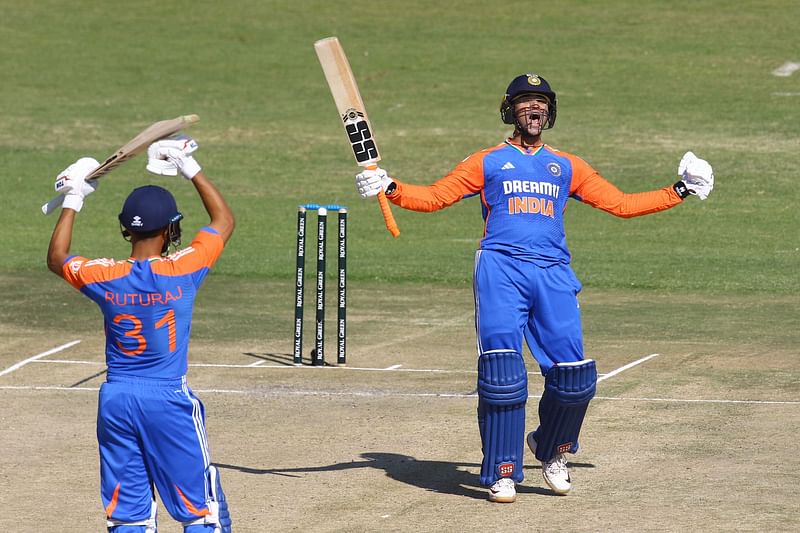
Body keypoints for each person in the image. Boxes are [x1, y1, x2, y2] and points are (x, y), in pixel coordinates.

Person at [354, 73, 714, 503]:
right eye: (526, 102)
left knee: (575, 378)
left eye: (541, 102)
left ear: (551, 111)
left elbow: (621, 205)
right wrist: (390, 187)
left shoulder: (567, 165)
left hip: (553, 274)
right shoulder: (487, 161)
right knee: (503, 375)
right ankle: (502, 472)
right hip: (501, 269)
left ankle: (552, 451)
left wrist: (681, 189)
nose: (534, 108)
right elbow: (434, 197)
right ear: (510, 110)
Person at [47, 137, 235, 531]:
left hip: (116, 400)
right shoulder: (183, 270)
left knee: (128, 514)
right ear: (168, 230)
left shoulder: (104, 277)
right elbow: (223, 221)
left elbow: (57, 258)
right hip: (167, 399)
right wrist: (190, 167)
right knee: (201, 511)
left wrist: (73, 199)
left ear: (125, 229)